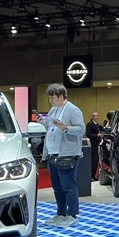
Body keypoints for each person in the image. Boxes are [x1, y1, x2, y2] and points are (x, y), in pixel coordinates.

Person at [37, 84, 86, 228]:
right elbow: (52, 128)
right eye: (49, 98)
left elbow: (81, 129)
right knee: (57, 187)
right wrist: (44, 123)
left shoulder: (73, 110)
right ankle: (61, 213)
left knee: (68, 186)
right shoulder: (53, 110)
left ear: (61, 96)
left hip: (67, 154)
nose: (50, 100)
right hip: (53, 153)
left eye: (52, 97)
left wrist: (66, 128)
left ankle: (72, 215)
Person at [86, 111, 102, 182]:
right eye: (96, 116)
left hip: (97, 144)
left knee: (96, 160)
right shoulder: (90, 124)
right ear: (92, 117)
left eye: (98, 116)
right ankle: (91, 175)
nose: (97, 117)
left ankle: (93, 174)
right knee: (94, 159)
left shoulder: (97, 125)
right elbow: (88, 134)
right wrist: (96, 135)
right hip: (92, 144)